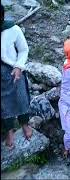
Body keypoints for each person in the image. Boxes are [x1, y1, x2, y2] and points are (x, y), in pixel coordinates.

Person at [1, 4, 32, 149]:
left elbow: (23, 50)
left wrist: (19, 66)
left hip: (13, 69)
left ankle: (25, 124)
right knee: (3, 105)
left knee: (21, 99)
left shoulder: (12, 29)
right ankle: (9, 131)